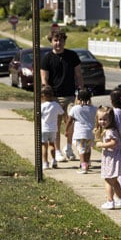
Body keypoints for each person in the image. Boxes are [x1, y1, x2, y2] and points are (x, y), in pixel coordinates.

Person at [40, 28, 83, 164]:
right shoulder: (47, 58)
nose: (58, 43)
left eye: (61, 40)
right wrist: (47, 97)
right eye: (55, 40)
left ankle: (69, 148)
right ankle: (57, 151)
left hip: (70, 95)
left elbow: (78, 75)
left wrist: (81, 92)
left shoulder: (72, 56)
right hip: (54, 98)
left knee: (71, 123)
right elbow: (44, 80)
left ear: (64, 41)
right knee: (56, 126)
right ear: (51, 42)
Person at [95, 106, 121, 210]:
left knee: (108, 180)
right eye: (100, 119)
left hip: (111, 159)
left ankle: (110, 201)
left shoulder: (110, 131)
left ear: (111, 119)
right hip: (114, 158)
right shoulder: (111, 130)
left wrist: (101, 145)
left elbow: (114, 142)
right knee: (114, 180)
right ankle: (119, 199)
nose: (102, 122)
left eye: (105, 119)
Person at [68, 89, 97, 174]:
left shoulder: (75, 108)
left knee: (81, 150)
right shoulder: (94, 109)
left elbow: (69, 120)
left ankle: (83, 166)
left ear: (78, 98)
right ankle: (87, 163)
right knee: (88, 149)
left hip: (80, 133)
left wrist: (67, 130)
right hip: (91, 133)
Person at [40, 86, 64, 170]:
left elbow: (38, 115)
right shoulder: (56, 105)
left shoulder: (42, 106)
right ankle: (54, 160)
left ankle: (45, 162)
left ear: (43, 96)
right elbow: (61, 113)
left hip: (44, 128)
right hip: (53, 128)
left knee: (44, 146)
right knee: (52, 144)